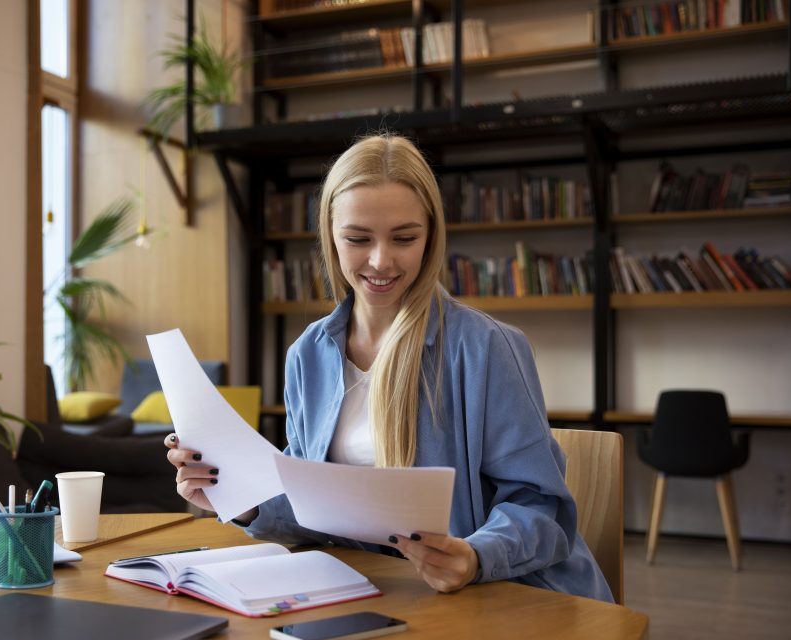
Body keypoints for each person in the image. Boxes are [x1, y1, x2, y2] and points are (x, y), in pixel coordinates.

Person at [166, 133, 613, 602]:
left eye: (405, 238)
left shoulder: (486, 348)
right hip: (382, 588)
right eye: (357, 239)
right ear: (330, 238)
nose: (381, 261)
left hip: (504, 596)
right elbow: (318, 505)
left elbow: (541, 507)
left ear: (431, 237)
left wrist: (476, 555)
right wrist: (241, 502)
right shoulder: (309, 354)